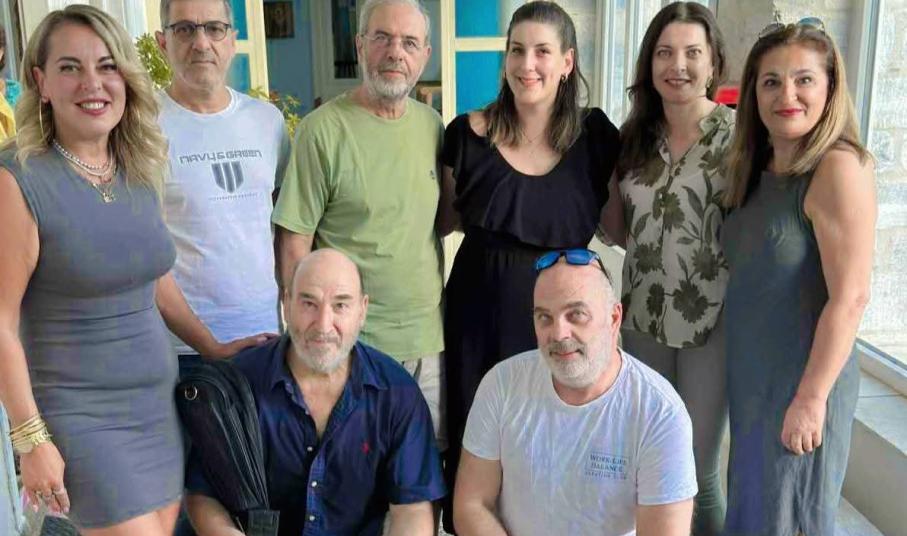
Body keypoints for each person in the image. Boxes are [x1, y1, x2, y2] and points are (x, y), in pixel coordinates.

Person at [0, 5, 262, 534]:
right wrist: (30, 438)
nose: (92, 84)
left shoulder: (136, 166)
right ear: (41, 82)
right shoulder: (18, 180)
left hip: (158, 409)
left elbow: (154, 278)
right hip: (82, 420)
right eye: (70, 68)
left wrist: (211, 347)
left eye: (107, 66)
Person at [437, 5, 620, 526]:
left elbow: (619, 227)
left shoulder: (595, 137)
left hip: (566, 315)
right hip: (480, 312)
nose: (527, 64)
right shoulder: (466, 134)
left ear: (567, 62)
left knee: (557, 440)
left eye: (542, 51)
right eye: (517, 50)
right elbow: (442, 220)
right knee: (479, 439)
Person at [721, 19, 876, 536]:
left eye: (804, 79)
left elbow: (851, 298)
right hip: (753, 381)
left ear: (830, 87)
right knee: (753, 514)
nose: (787, 95)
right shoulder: (755, 165)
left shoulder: (838, 168)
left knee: (789, 519)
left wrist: (811, 401)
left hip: (802, 383)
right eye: (772, 81)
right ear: (753, 93)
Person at [274, 0, 445, 446]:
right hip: (351, 345)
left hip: (427, 342)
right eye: (382, 38)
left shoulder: (432, 127)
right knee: (353, 472)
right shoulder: (321, 131)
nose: (395, 52)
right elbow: (294, 243)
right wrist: (304, 339)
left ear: (425, 54)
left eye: (409, 42)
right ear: (359, 45)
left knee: (422, 472)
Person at [185, 249, 446, 536]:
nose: (323, 325)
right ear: (286, 303)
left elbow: (412, 510)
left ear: (362, 310)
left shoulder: (397, 393)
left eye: (340, 305)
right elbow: (203, 494)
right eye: (309, 303)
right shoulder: (238, 383)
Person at [454, 249, 697, 536]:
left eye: (576, 315)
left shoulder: (659, 413)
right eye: (544, 317)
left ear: (614, 318)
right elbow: (472, 504)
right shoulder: (502, 384)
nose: (559, 334)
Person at [614, 3, 732, 533]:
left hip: (713, 322)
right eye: (664, 52)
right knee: (653, 465)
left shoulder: (740, 136)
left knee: (697, 471)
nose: (677, 65)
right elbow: (619, 227)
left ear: (713, 63)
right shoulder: (632, 137)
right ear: (649, 62)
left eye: (691, 53)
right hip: (642, 317)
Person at [155, 0, 289, 358]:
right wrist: (210, 347)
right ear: (162, 42)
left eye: (214, 29)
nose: (201, 43)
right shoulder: (141, 128)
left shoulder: (268, 122)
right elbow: (143, 254)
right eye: (185, 29)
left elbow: (285, 227)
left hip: (266, 340)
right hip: (184, 352)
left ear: (232, 40)